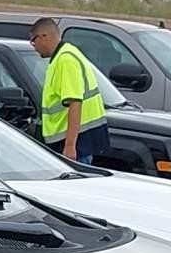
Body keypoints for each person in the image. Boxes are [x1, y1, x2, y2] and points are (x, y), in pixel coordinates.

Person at [27, 17, 110, 166]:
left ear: (44, 37)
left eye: (33, 41)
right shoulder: (66, 54)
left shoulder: (66, 60)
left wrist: (70, 146)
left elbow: (75, 102)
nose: (33, 46)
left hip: (75, 143)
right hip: (76, 140)